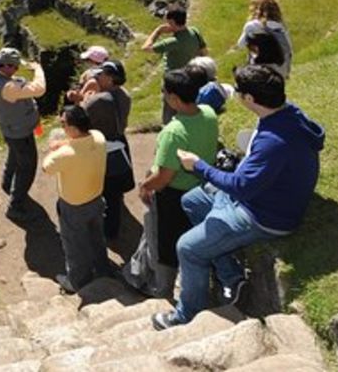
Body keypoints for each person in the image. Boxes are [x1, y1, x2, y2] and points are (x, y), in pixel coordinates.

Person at [152, 65, 325, 330]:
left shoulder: (273, 141)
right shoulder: (289, 114)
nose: (238, 95)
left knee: (187, 248)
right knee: (191, 201)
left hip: (265, 214)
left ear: (250, 100)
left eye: (241, 92)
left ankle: (186, 315)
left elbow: (241, 186)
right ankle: (230, 276)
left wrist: (198, 166)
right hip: (262, 195)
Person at [130, 68, 219, 299]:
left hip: (174, 196)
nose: (163, 96)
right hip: (199, 189)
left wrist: (145, 186)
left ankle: (163, 290)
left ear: (174, 98)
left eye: (164, 92)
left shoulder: (174, 132)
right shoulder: (209, 113)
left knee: (165, 243)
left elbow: (164, 177)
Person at [42, 104, 112, 293]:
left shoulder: (64, 155)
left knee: (74, 244)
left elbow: (46, 167)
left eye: (63, 124)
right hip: (96, 198)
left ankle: (78, 281)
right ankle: (103, 269)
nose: (62, 126)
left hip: (73, 205)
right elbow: (79, 142)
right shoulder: (98, 137)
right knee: (97, 236)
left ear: (72, 128)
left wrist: (53, 148)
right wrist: (65, 143)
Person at [0, 47, 48, 220]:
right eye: (15, 67)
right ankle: (15, 205)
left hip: (10, 127)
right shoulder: (8, 87)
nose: (17, 70)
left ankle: (7, 184)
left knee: (14, 156)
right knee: (27, 167)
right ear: (5, 66)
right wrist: (37, 69)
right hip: (21, 131)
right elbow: (39, 88)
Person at [79, 60, 133, 238]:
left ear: (110, 79)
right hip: (119, 143)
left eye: (100, 74)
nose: (96, 76)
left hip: (103, 149)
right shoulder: (123, 95)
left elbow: (79, 117)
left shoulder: (99, 101)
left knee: (103, 189)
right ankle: (114, 226)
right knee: (115, 193)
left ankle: (107, 232)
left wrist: (84, 99)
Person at [143, 5, 208, 122]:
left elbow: (146, 48)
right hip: (191, 78)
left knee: (169, 115)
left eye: (168, 22)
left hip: (172, 81)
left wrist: (158, 31)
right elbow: (204, 53)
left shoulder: (173, 42)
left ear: (172, 21)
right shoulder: (194, 32)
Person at [236, 0, 293, 78]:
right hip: (279, 70)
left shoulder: (251, 26)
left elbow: (240, 44)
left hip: (258, 69)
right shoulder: (281, 27)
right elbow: (289, 50)